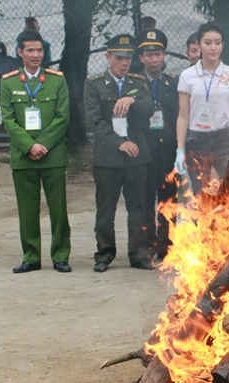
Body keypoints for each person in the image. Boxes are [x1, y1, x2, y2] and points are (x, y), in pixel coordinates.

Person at [0, 30, 71, 273]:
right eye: (30, 50)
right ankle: (31, 256)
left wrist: (43, 144)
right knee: (27, 209)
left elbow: (63, 117)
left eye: (39, 50)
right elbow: (8, 120)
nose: (35, 55)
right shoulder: (8, 81)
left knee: (59, 209)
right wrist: (30, 146)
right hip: (23, 157)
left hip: (52, 155)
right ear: (20, 52)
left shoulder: (57, 79)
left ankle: (61, 255)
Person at [84, 34, 155, 272]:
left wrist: (130, 98)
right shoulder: (94, 83)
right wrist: (119, 143)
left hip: (136, 155)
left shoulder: (138, 82)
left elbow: (148, 109)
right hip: (108, 157)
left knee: (138, 207)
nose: (124, 63)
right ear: (108, 57)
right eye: (119, 58)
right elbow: (94, 121)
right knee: (106, 208)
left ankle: (139, 253)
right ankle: (104, 253)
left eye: (128, 58)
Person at [174, 23, 229, 194]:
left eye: (217, 43)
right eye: (208, 43)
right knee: (202, 194)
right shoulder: (187, 76)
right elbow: (183, 116)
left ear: (222, 45)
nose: (213, 48)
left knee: (228, 193)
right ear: (199, 45)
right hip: (198, 139)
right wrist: (180, 149)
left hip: (224, 138)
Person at [138, 29, 178, 260]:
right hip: (143, 152)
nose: (154, 58)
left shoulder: (172, 83)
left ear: (164, 56)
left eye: (158, 54)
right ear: (142, 58)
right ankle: (147, 245)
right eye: (149, 54)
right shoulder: (134, 82)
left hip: (167, 152)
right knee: (143, 201)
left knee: (169, 201)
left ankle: (166, 247)